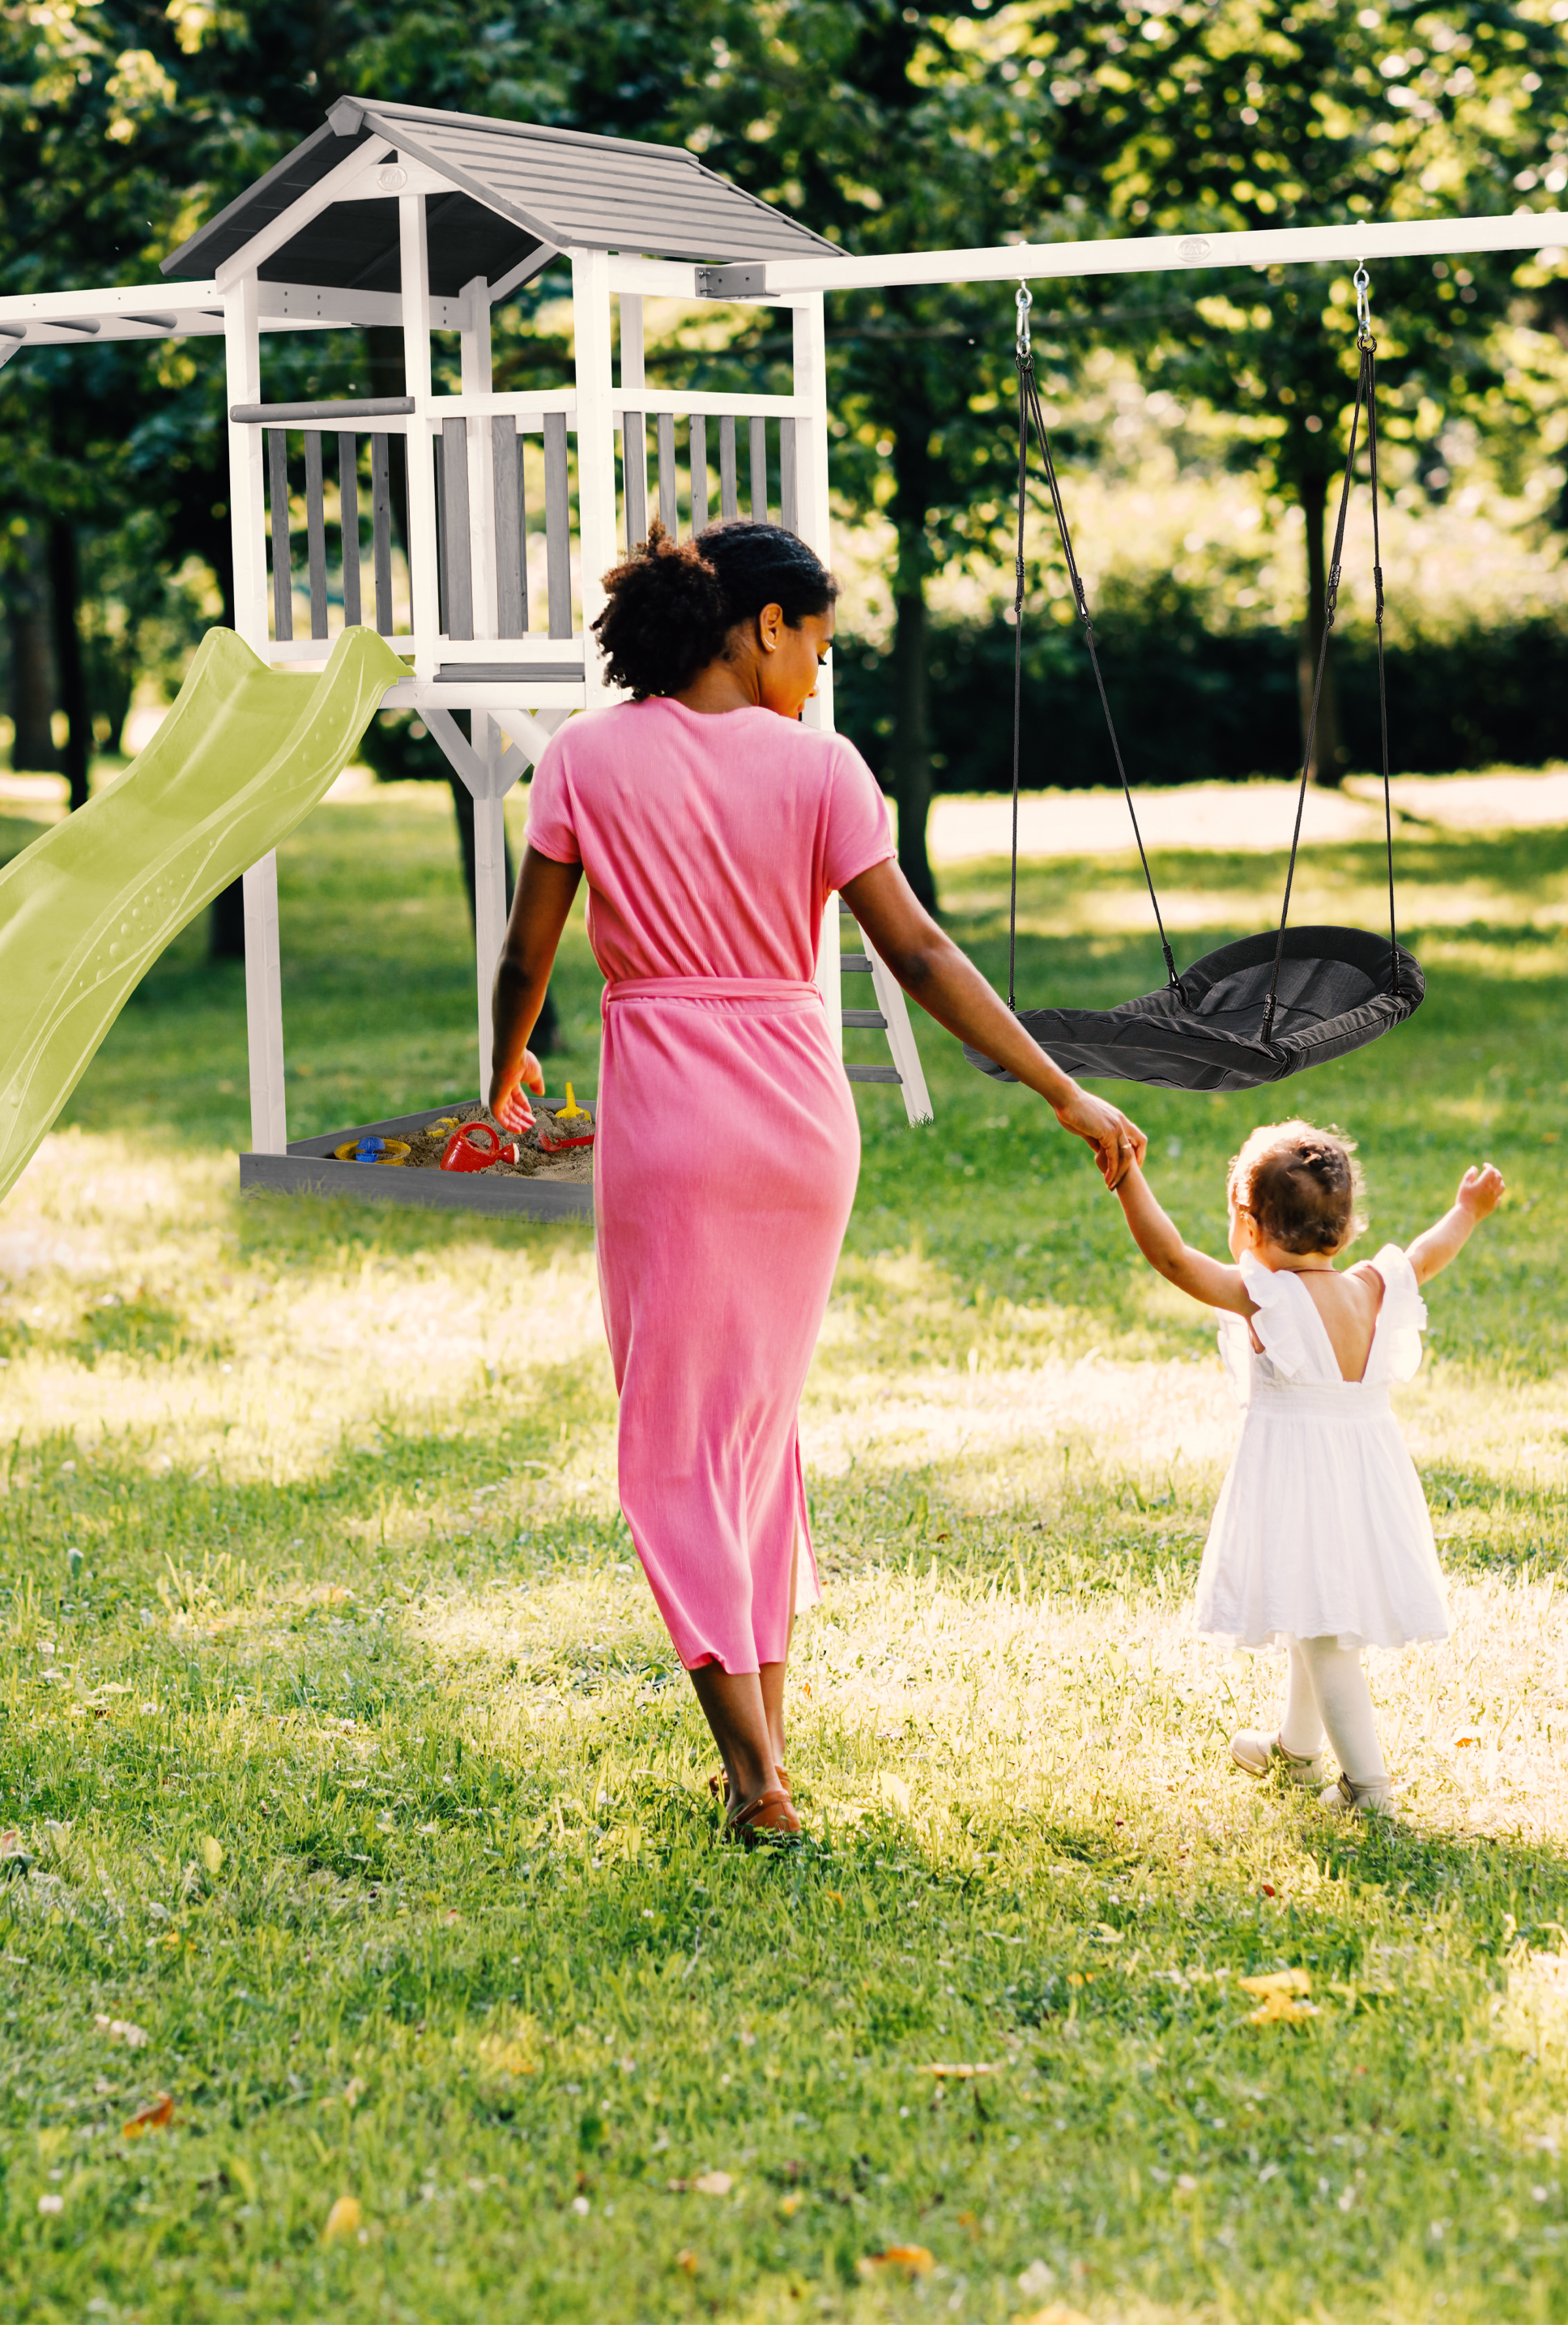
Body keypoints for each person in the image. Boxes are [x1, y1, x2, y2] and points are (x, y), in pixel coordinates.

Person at [488, 519, 1145, 1841]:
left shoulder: (583, 757)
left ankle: (754, 1776)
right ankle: (765, 1752)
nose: (820, 675)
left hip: (671, 1121)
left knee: (676, 1446)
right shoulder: (823, 770)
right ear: (763, 624)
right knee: (752, 1436)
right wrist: (1061, 1085)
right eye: (819, 646)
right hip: (798, 1122)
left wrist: (500, 1075)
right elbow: (920, 956)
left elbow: (527, 954)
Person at [1107, 1120, 1506, 1815]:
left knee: (1323, 1636)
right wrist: (1466, 1210)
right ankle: (1296, 1750)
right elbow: (1427, 1252)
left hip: (1301, 1484)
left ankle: (1367, 1788)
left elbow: (1171, 1258)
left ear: (1249, 1225)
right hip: (1365, 1481)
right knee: (1308, 1607)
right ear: (1346, 1230)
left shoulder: (1266, 1298)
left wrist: (1126, 1177)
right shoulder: (1374, 1286)